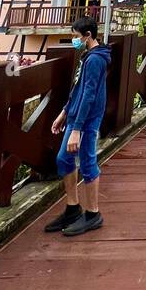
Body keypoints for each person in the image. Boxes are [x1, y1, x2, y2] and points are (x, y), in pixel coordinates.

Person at [46, 16, 110, 235]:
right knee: (63, 159)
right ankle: (73, 207)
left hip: (87, 119)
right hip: (75, 116)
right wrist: (65, 112)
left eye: (75, 36)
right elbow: (78, 88)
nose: (73, 40)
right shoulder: (88, 56)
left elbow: (90, 94)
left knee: (87, 162)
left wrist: (76, 129)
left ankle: (93, 213)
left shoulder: (95, 60)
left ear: (87, 36)